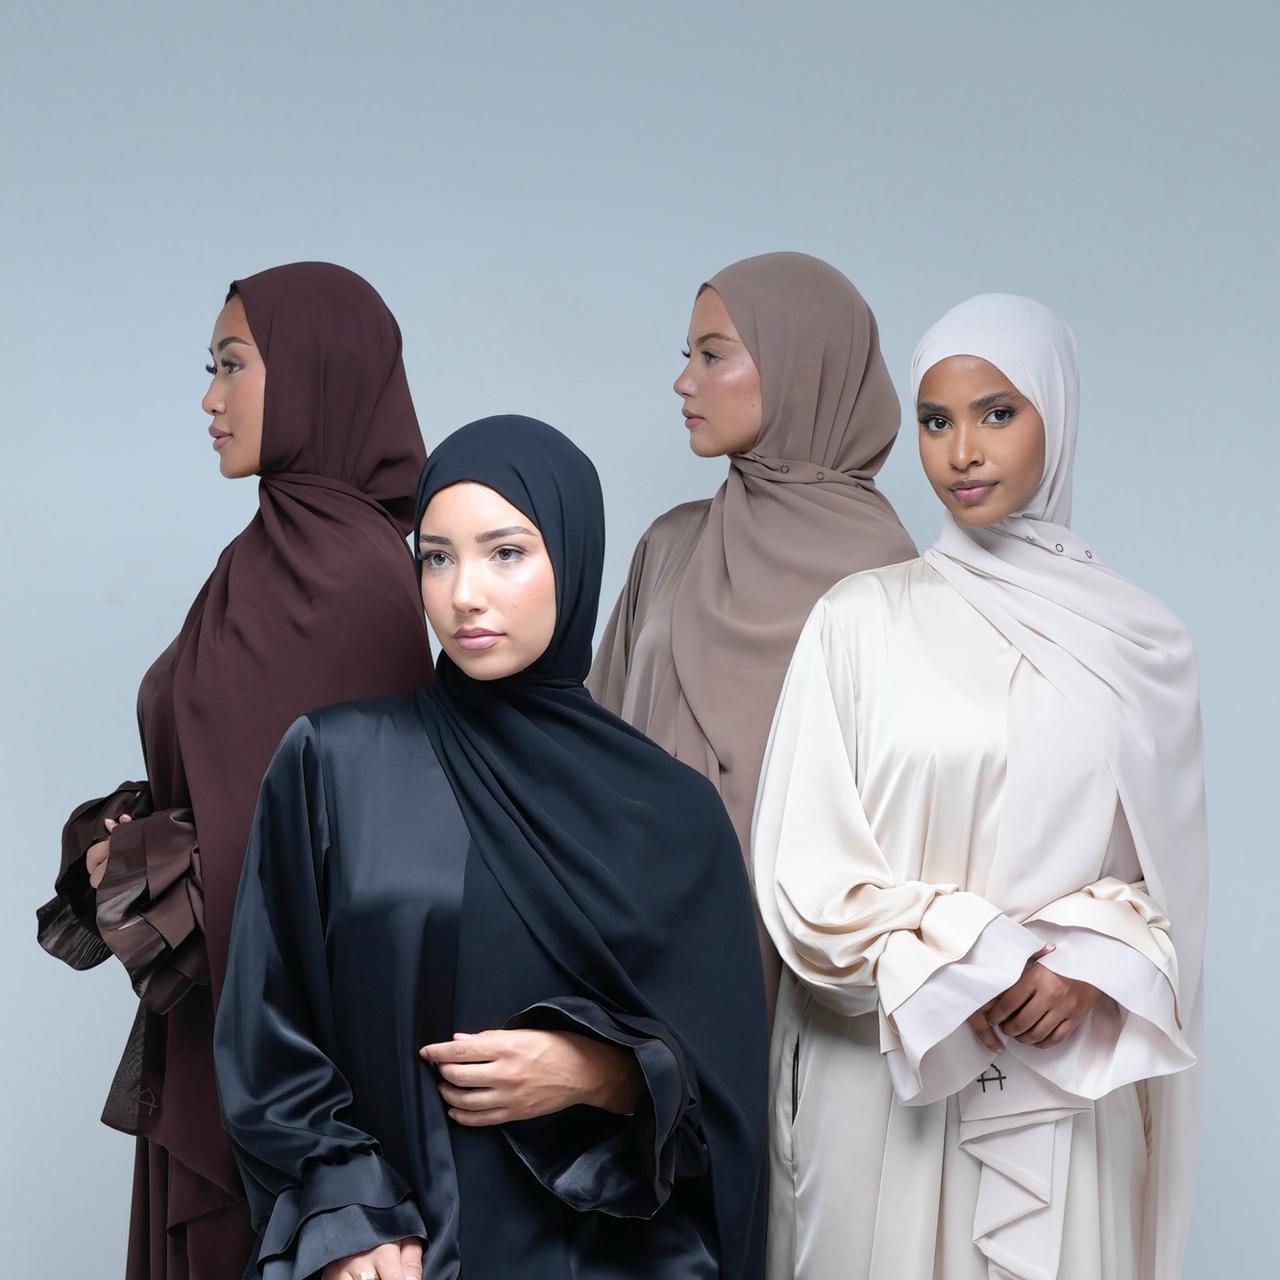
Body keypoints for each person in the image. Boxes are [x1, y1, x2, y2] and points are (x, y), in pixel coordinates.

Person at [214, 416, 769, 1280]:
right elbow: (266, 1030)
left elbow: (730, 1106)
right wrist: (348, 1214)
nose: (463, 594)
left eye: (505, 553)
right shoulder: (335, 762)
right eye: (437, 558)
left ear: (573, 559)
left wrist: (605, 1073)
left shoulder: (670, 813)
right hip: (394, 1258)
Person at [752, 294, 1206, 1279]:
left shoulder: (1139, 647)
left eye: (998, 413)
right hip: (886, 1079)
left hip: (1061, 1080)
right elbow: (804, 877)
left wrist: (1087, 963)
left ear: (1057, 413)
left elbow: (1165, 897)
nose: (962, 451)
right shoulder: (859, 620)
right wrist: (977, 953)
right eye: (935, 420)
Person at [37, 262, 432, 1279]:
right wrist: (132, 845)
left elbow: (349, 859)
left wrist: (159, 866)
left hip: (291, 1063)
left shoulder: (354, 579)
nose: (210, 398)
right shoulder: (261, 557)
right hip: (214, 1028)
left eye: (232, 365)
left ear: (315, 371)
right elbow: (221, 777)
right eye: (209, 368)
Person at [589, 252, 916, 1014]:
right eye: (688, 355)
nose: (684, 381)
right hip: (639, 950)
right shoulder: (670, 543)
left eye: (713, 355)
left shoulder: (890, 575)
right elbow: (592, 749)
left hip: (813, 980)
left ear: (801, 366)